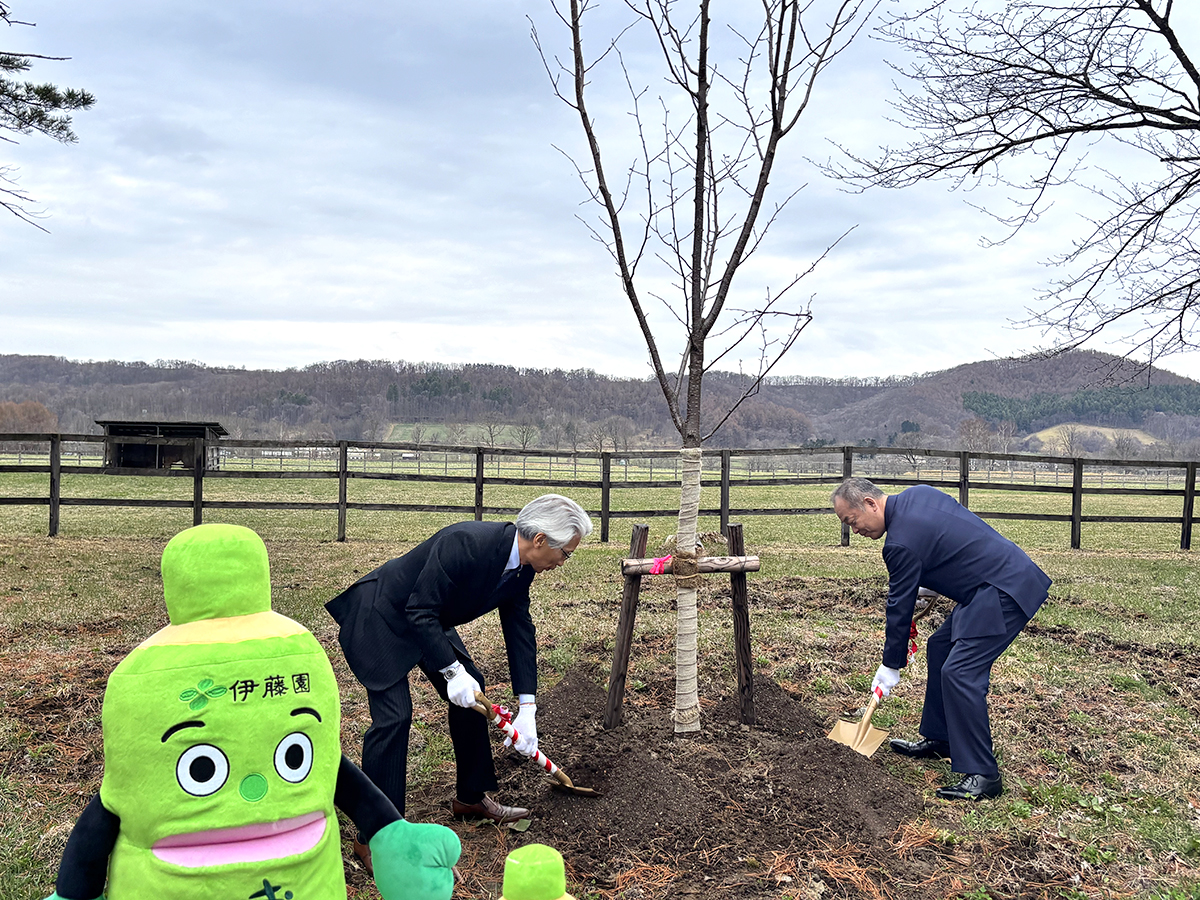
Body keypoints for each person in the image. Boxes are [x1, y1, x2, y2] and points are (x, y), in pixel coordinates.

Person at [325, 493, 593, 845]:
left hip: (427, 617)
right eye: (566, 553)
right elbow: (419, 610)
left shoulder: (522, 568)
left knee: (473, 691)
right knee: (394, 716)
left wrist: (527, 706)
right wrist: (451, 671)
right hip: (382, 615)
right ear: (541, 540)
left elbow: (519, 628)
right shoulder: (466, 543)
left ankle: (470, 797)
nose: (563, 562)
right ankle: (377, 835)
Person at [830, 477, 1051, 801]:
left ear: (870, 503)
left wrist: (891, 665)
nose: (855, 530)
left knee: (961, 672)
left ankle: (983, 775)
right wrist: (930, 579)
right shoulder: (919, 495)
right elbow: (950, 535)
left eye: (852, 520)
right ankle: (942, 738)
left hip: (1002, 590)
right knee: (940, 648)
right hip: (995, 580)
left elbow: (899, 608)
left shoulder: (899, 544)